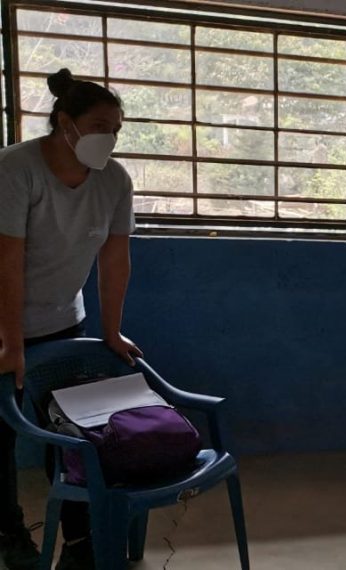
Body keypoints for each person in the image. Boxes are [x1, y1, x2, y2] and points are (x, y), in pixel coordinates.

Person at [0, 68, 141, 570]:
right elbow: (7, 262)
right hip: (2, 324)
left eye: (116, 129)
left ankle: (81, 541)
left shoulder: (114, 180)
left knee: (71, 432)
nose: (110, 138)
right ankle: (9, 533)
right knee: (1, 436)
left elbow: (115, 260)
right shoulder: (15, 168)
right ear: (65, 122)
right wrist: (11, 344)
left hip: (62, 321)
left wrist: (111, 331)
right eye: (100, 126)